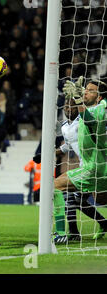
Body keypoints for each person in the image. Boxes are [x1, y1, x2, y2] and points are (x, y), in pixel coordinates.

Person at [35, 95, 107, 243]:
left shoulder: (84, 120)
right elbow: (67, 146)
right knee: (76, 199)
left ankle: (67, 232)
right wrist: (46, 154)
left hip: (96, 166)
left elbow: (93, 123)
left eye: (72, 106)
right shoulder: (64, 127)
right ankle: (80, 229)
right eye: (66, 106)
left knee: (59, 189)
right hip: (86, 167)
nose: (68, 109)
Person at [56, 77, 107, 239]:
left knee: (54, 187)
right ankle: (102, 224)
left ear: (99, 97)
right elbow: (72, 142)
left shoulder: (100, 108)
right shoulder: (75, 119)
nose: (86, 92)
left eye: (91, 91)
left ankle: (61, 233)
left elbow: (89, 120)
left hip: (95, 168)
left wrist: (78, 99)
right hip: (95, 166)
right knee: (77, 200)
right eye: (86, 89)